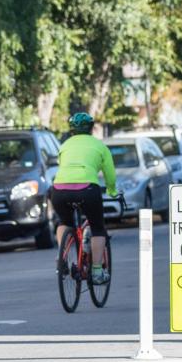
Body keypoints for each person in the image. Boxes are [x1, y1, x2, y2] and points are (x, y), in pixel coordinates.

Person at [51, 112, 118, 284]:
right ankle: (96, 272)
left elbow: (63, 166)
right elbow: (110, 174)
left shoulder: (64, 145)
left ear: (72, 130)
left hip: (59, 189)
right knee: (97, 227)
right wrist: (111, 190)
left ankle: (62, 258)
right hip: (87, 188)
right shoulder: (99, 146)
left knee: (64, 222)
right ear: (91, 128)